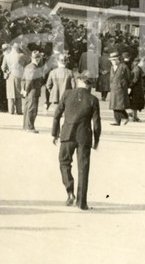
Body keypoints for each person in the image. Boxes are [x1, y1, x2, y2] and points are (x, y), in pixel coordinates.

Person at [52, 72, 101, 211]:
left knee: (64, 162)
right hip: (84, 137)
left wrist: (54, 134)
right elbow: (96, 123)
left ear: (78, 82)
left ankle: (69, 190)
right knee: (83, 168)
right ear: (89, 85)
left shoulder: (67, 94)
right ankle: (82, 203)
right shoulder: (93, 99)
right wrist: (96, 140)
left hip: (67, 134)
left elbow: (57, 115)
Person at [21, 50, 44, 133]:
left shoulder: (28, 66)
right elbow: (30, 80)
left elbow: (23, 79)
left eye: (38, 58)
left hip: (28, 90)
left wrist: (23, 89)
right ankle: (30, 127)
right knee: (32, 109)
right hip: (33, 90)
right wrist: (26, 90)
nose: (37, 59)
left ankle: (26, 126)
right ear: (32, 58)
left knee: (27, 108)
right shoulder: (35, 68)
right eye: (36, 58)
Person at [108, 52, 131, 126]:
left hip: (121, 89)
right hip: (114, 88)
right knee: (114, 105)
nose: (113, 61)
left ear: (118, 59)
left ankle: (125, 116)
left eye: (114, 60)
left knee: (120, 105)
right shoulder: (112, 67)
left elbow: (129, 77)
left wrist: (128, 87)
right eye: (112, 60)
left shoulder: (124, 67)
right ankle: (117, 121)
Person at [129, 55, 145, 122]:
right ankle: (134, 116)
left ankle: (134, 116)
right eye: (143, 62)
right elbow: (135, 79)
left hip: (137, 88)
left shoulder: (137, 68)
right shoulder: (137, 69)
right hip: (136, 89)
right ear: (139, 62)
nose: (144, 63)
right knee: (135, 103)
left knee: (135, 103)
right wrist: (130, 87)